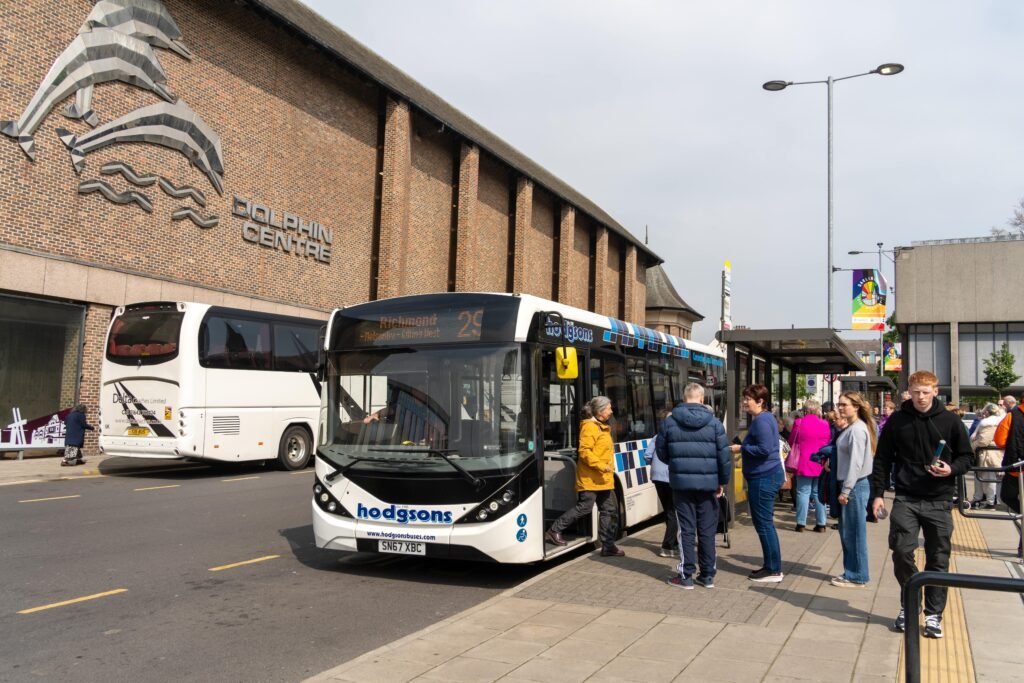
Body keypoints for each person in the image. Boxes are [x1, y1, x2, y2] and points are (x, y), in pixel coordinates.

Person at [871, 370, 973, 639]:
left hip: (939, 499)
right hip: (906, 497)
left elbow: (967, 457)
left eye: (926, 392)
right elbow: (882, 458)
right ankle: (910, 602)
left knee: (938, 558)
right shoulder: (898, 420)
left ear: (935, 392)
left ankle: (933, 614)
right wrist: (878, 493)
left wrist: (950, 469)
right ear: (909, 391)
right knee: (902, 551)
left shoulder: (950, 421)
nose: (920, 397)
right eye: (916, 392)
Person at [656, 383, 731, 589]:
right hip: (709, 485)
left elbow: (661, 453)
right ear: (702, 399)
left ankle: (686, 575)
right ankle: (707, 575)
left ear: (683, 397)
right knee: (707, 530)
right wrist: (722, 482)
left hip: (681, 485)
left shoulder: (670, 422)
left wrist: (677, 464)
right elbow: (724, 457)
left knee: (686, 529)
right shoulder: (715, 424)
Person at [546, 396, 625, 557]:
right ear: (600, 411)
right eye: (609, 408)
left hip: (603, 478)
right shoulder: (589, 427)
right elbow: (584, 452)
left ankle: (608, 545)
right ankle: (555, 529)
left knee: (609, 510)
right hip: (591, 477)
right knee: (585, 507)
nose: (611, 411)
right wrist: (601, 465)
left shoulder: (601, 426)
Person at [730, 384, 785, 583]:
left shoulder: (761, 421)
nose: (745, 402)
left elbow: (764, 449)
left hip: (763, 477)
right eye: (744, 398)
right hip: (766, 476)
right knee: (765, 524)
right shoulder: (766, 418)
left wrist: (741, 448)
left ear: (760, 401)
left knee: (763, 525)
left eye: (748, 399)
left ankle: (773, 570)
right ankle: (771, 566)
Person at [831, 392, 876, 587]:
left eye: (844, 405)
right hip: (852, 484)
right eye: (839, 404)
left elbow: (856, 463)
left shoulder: (857, 430)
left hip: (854, 485)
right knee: (848, 532)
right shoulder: (854, 427)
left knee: (854, 533)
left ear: (856, 407)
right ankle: (852, 571)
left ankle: (857, 575)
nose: (840, 408)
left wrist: (846, 490)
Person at [789, 398, 831, 533]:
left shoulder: (799, 423)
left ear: (806, 410)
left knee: (803, 492)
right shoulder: (825, 424)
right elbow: (828, 442)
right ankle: (821, 523)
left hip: (804, 462)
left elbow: (791, 441)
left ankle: (801, 523)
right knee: (818, 493)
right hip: (820, 462)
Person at [645, 408, 679, 558]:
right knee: (674, 513)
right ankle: (667, 546)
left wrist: (656, 465)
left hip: (657, 477)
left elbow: (647, 455)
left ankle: (674, 543)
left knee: (668, 511)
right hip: (671, 477)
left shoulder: (657, 436)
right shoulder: (677, 437)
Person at [994, 395, 1024, 518]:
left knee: (1007, 496)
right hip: (1017, 467)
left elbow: (1000, 440)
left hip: (1016, 467)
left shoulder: (1013, 415)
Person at [970, 403, 1004, 509]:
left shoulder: (988, 423)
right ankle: (986, 499)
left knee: (988, 478)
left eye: (984, 412)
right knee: (990, 478)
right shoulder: (1000, 421)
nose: (983, 414)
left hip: (987, 454)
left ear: (988, 412)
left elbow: (983, 441)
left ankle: (989, 501)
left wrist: (972, 446)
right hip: (996, 453)